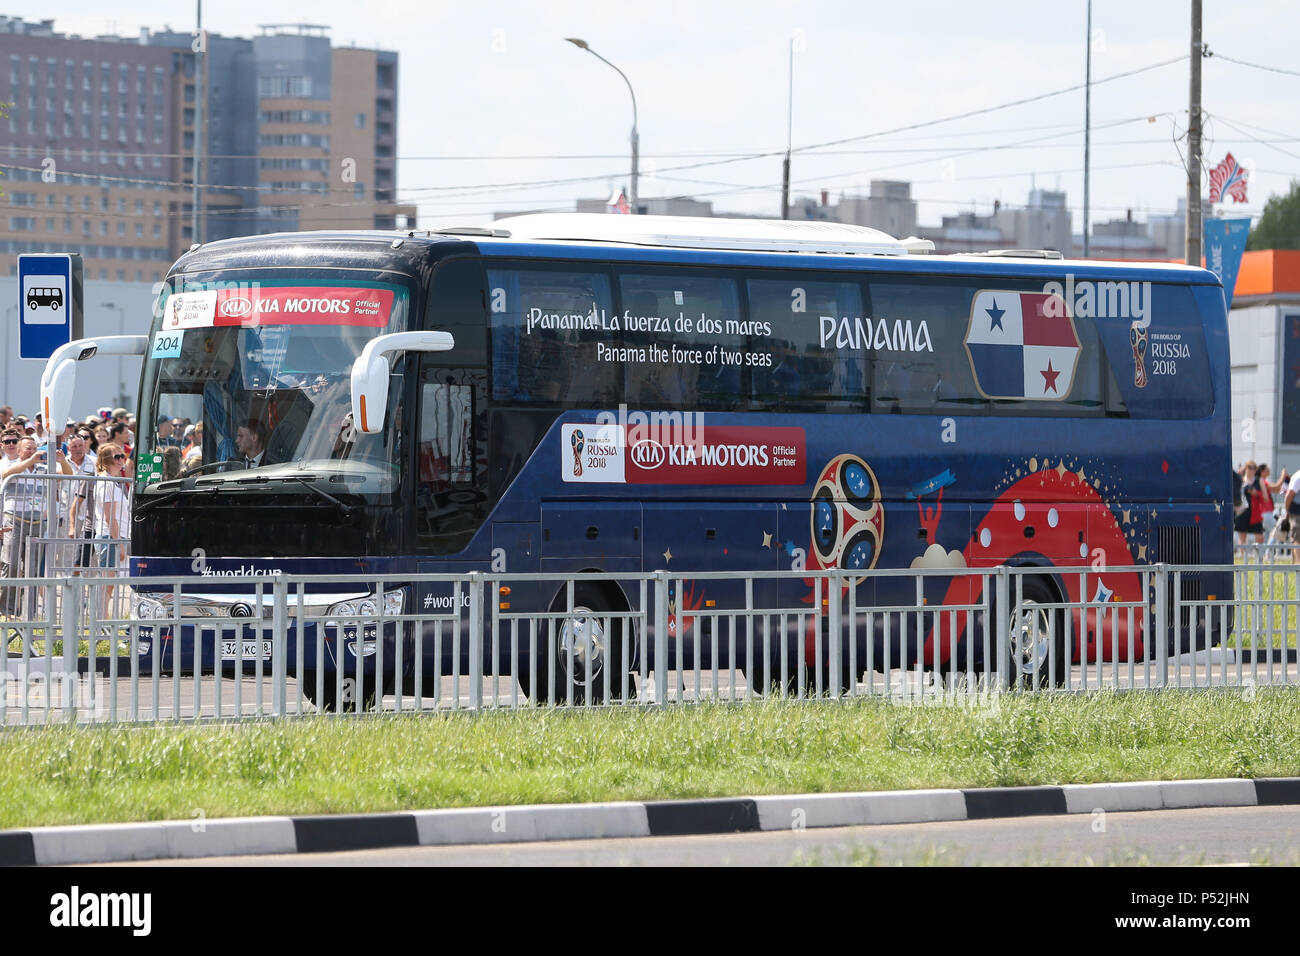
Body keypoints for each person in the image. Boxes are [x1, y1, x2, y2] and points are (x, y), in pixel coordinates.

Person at [1, 436, 72, 617]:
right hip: (14, 520)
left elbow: (69, 476)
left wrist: (63, 461)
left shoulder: (43, 468)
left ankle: (29, 612)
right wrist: (28, 462)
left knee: (32, 570)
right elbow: (5, 475)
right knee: (12, 564)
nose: (32, 451)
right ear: (18, 451)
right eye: (27, 448)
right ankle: (5, 609)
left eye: (34, 448)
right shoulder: (10, 465)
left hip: (37, 522)